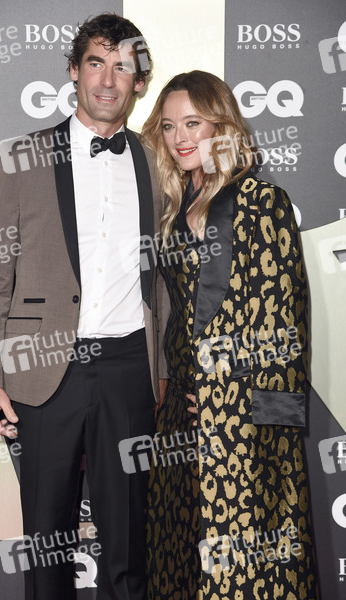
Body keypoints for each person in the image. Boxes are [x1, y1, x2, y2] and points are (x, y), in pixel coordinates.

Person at [0, 13, 168, 600]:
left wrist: (159, 369)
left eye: (122, 67)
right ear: (74, 70)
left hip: (129, 370)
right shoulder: (20, 156)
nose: (107, 80)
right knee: (46, 543)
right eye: (96, 63)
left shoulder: (155, 163)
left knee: (128, 544)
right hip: (41, 370)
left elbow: (161, 279)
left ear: (138, 82)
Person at [141, 70, 319, 600]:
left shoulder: (264, 201)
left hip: (246, 422)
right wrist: (177, 390)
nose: (179, 138)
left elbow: (282, 317)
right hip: (182, 416)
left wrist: (232, 398)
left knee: (244, 566)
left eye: (193, 123)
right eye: (169, 126)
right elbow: (174, 318)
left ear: (222, 127)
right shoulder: (171, 211)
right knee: (181, 555)